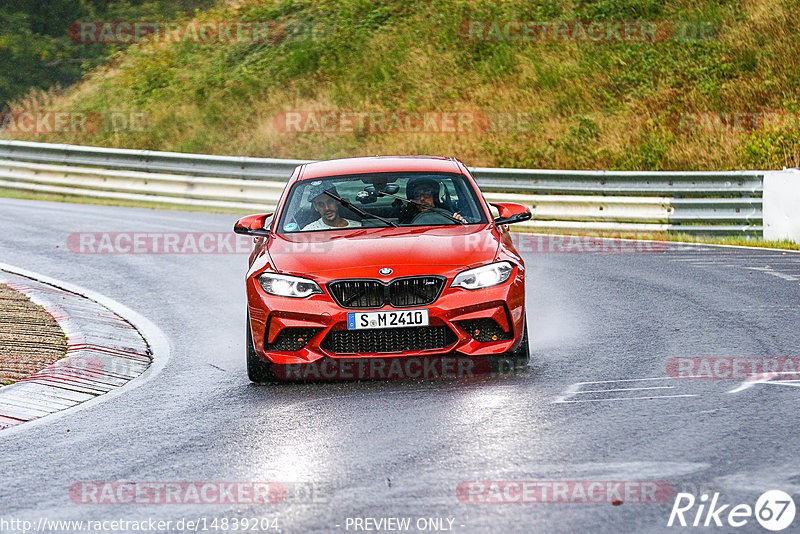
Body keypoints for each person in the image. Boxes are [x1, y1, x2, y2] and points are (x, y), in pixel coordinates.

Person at [399, 177, 466, 223]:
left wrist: (461, 222)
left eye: (427, 193)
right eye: (417, 195)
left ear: (435, 196)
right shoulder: (407, 219)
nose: (422, 199)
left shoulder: (450, 214)